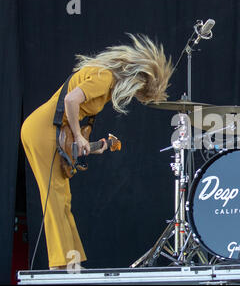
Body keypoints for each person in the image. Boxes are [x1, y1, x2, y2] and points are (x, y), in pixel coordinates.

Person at [21, 34, 173, 269]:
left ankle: (71, 263)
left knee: (63, 199)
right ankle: (60, 265)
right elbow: (71, 100)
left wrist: (88, 144)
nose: (131, 97)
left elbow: (76, 118)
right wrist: (79, 135)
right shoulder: (104, 77)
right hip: (43, 129)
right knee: (54, 197)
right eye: (136, 92)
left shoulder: (105, 81)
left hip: (51, 130)